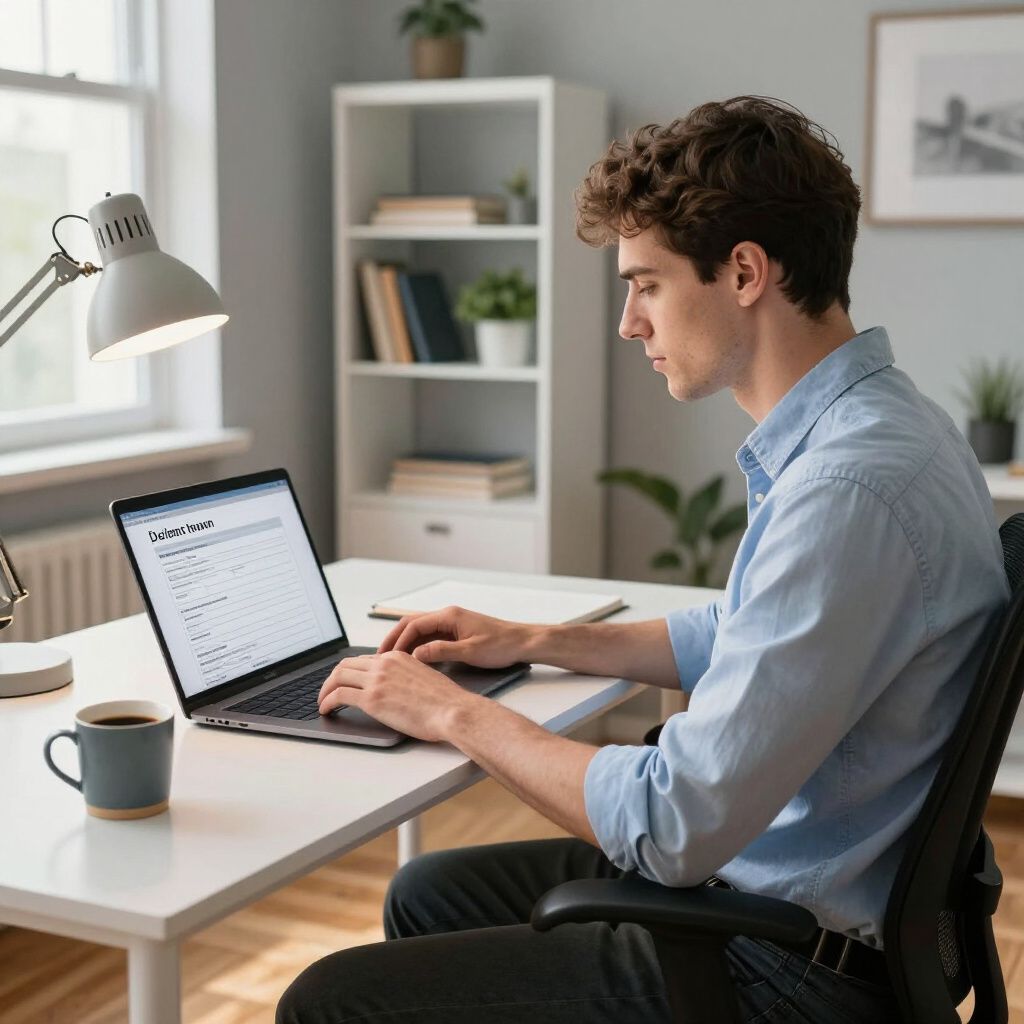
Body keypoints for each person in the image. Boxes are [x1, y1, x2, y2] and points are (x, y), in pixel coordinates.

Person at [277, 95, 1008, 1023]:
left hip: (788, 968)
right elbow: (756, 631)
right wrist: (535, 639)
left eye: (647, 284)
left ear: (744, 271)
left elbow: (674, 825)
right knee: (427, 893)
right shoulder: (887, 429)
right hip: (811, 896)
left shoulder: (847, 490)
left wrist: (451, 712)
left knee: (327, 1002)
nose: (629, 323)